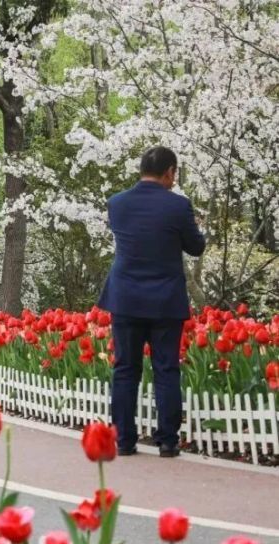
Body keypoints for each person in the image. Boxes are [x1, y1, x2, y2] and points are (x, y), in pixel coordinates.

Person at [98, 146, 206, 458]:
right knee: (166, 369)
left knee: (125, 369)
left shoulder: (117, 203)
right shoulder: (178, 206)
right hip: (164, 300)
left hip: (125, 297)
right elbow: (195, 247)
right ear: (169, 171)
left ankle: (124, 440)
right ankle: (168, 441)